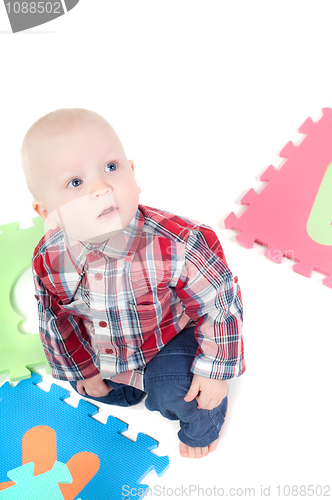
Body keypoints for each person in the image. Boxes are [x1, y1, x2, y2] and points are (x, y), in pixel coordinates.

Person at [21, 108, 245, 458]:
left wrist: (214, 370)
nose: (101, 188)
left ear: (133, 173)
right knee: (91, 389)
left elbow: (220, 304)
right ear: (45, 211)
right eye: (75, 183)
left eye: (111, 167)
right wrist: (81, 368)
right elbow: (54, 319)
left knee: (175, 390)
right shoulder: (49, 257)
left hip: (171, 336)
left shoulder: (177, 243)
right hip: (111, 346)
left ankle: (207, 421)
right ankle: (123, 381)